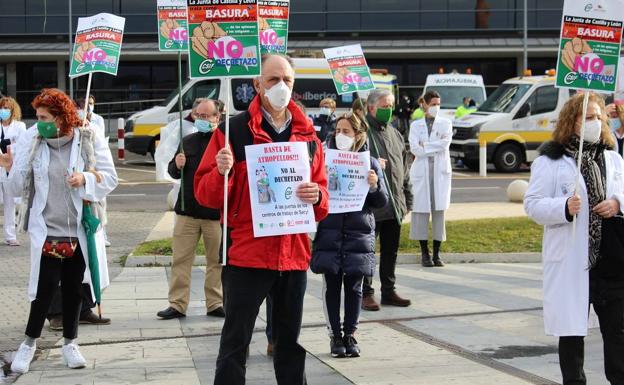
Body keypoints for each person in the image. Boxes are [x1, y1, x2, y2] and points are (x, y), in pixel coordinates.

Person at [194, 54, 329, 385]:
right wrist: (222, 173)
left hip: (293, 256)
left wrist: (318, 197)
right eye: (272, 80)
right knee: (235, 342)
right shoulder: (233, 131)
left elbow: (322, 197)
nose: (281, 86)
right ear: (257, 84)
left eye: (287, 81)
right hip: (246, 254)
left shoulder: (308, 137)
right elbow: (205, 195)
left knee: (289, 345)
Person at [0, 88, 117, 374]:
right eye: (37, 116)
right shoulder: (33, 139)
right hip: (47, 229)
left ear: (61, 118)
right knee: (44, 289)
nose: (38, 122)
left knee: (75, 289)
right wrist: (9, 167)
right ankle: (28, 345)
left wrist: (86, 178)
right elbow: (17, 188)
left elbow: (110, 177)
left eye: (44, 117)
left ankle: (70, 344)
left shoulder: (87, 138)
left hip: (78, 228)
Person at [525, 92, 624, 385]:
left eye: (598, 117)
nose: (595, 122)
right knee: (572, 336)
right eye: (588, 117)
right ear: (573, 121)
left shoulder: (612, 157)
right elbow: (532, 204)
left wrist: (617, 202)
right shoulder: (551, 160)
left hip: (612, 259)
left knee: (618, 335)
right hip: (572, 259)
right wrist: (564, 207)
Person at [311, 112, 388, 358]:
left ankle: (350, 334)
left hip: (358, 232)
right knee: (331, 284)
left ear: (358, 135)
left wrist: (374, 185)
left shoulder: (370, 162)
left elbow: (382, 201)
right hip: (330, 231)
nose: (341, 135)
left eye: (347, 131)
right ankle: (335, 335)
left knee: (354, 286)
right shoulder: (323, 158)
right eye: (338, 131)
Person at [157, 98, 225, 320]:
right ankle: (177, 304)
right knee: (181, 259)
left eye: (208, 116)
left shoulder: (225, 143)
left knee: (216, 261)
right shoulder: (188, 141)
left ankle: (215, 303)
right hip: (187, 212)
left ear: (217, 117)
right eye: (199, 116)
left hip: (215, 214)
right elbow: (173, 173)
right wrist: (176, 165)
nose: (203, 119)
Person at [361, 88, 413, 311]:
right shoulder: (362, 133)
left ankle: (389, 291)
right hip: (372, 205)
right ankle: (365, 292)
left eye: (391, 105)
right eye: (384, 106)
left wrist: (407, 197)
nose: (389, 110)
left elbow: (404, 168)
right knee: (367, 252)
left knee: (391, 251)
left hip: (395, 205)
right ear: (371, 107)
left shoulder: (395, 133)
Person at [408, 90, 452, 267]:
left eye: (438, 104)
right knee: (420, 212)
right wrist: (431, 146)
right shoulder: (415, 125)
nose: (436, 107)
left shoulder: (446, 123)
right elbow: (414, 149)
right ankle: (424, 253)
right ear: (424, 104)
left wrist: (425, 145)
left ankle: (437, 253)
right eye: (433, 104)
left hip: (440, 172)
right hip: (422, 172)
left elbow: (445, 144)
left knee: (439, 212)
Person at [0, 96, 26, 246]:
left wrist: (9, 146)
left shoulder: (20, 126)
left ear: (13, 110)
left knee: (10, 203)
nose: (4, 111)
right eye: (2, 107)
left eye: (7, 108)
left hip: (11, 168)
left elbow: (23, 145)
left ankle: (10, 236)